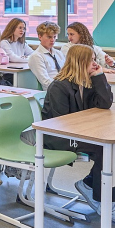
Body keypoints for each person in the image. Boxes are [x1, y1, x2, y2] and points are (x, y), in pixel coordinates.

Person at [39, 44, 114, 217]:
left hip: (78, 132)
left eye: (95, 60)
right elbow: (62, 122)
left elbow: (105, 103)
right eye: (91, 60)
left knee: (111, 148)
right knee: (104, 148)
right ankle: (100, 197)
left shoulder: (87, 83)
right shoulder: (59, 86)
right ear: (80, 62)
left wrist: (100, 76)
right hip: (57, 137)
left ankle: (90, 184)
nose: (95, 64)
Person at [28, 22, 64, 90]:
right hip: (52, 91)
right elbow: (45, 81)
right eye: (49, 37)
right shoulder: (36, 56)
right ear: (40, 36)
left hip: (64, 88)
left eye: (54, 37)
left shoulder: (59, 53)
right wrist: (63, 88)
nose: (52, 40)